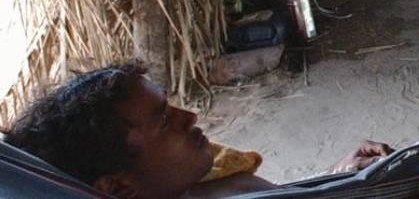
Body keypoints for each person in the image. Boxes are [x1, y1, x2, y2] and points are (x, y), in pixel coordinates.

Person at [3, 63, 393, 199]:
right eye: (163, 120)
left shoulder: (196, 180)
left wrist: (335, 180)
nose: (189, 117)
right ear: (120, 187)